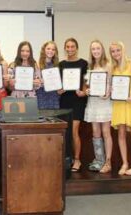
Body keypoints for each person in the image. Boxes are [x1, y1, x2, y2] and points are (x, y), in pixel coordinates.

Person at [109, 41, 131, 175]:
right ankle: (125, 163)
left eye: (118, 50)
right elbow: (110, 86)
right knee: (121, 134)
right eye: (113, 51)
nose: (116, 53)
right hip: (119, 104)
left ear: (123, 50)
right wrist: (110, 89)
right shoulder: (111, 68)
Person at [58, 38, 88, 172]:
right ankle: (66, 158)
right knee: (65, 131)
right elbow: (58, 84)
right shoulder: (61, 64)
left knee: (74, 131)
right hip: (64, 100)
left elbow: (86, 82)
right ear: (65, 48)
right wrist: (59, 90)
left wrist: (83, 91)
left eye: (72, 47)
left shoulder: (83, 63)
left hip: (77, 100)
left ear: (77, 48)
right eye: (67, 47)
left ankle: (77, 159)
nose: (70, 49)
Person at [84, 40, 113, 173]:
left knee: (106, 132)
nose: (95, 51)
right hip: (93, 102)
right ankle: (99, 160)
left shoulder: (108, 65)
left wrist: (108, 93)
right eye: (93, 49)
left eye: (98, 48)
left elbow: (112, 84)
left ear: (102, 50)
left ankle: (108, 162)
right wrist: (87, 91)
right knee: (96, 133)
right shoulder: (90, 65)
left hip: (104, 102)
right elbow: (87, 85)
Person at [36, 41, 60, 109]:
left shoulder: (57, 66)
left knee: (54, 118)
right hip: (41, 97)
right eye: (48, 49)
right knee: (42, 119)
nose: (50, 51)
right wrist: (38, 81)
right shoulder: (37, 65)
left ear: (55, 52)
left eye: (53, 49)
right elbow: (34, 84)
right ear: (44, 50)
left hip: (54, 97)